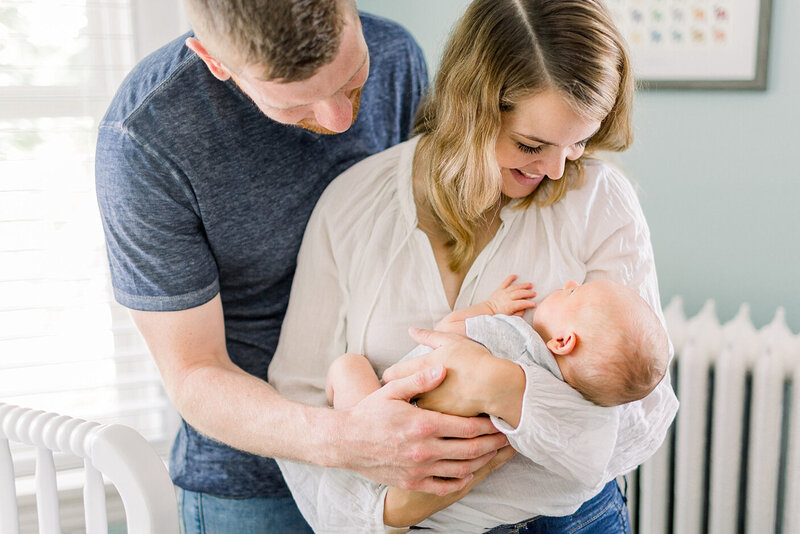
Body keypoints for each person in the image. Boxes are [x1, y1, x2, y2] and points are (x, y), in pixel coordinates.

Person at [95, 1, 511, 532]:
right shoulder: (145, 141)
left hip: (409, 442)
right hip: (255, 483)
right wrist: (350, 441)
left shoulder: (397, 54)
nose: (341, 120)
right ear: (214, 60)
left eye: (353, 78)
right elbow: (195, 372)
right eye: (296, 105)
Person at [268, 0, 679, 532]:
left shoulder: (599, 199)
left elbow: (640, 415)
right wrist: (384, 513)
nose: (556, 168)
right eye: (531, 144)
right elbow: (299, 402)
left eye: (577, 143)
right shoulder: (353, 205)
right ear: (471, 108)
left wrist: (502, 386)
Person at [327, 275, 670, 528]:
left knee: (348, 366)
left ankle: (356, 437)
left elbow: (450, 329)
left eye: (571, 293)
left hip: (392, 421)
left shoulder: (514, 338)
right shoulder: (571, 405)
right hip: (430, 469)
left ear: (564, 341)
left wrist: (490, 308)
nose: (567, 282)